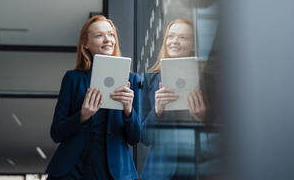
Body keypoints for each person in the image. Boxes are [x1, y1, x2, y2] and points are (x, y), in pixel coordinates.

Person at [46, 15, 140, 180]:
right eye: (99, 35)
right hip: (73, 171)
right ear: (86, 44)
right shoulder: (73, 78)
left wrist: (128, 111)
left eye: (111, 34)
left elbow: (135, 138)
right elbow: (56, 133)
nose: (107, 40)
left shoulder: (130, 80)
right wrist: (82, 116)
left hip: (114, 173)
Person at [140, 18, 214, 180]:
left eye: (183, 37)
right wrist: (157, 111)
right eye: (171, 36)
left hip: (196, 169)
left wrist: (204, 119)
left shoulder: (207, 82)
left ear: (193, 45)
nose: (174, 41)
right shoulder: (149, 80)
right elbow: (144, 137)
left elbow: (224, 137)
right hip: (159, 173)